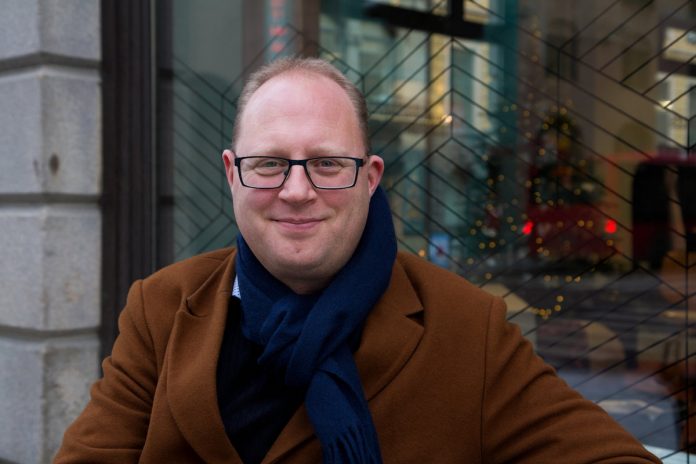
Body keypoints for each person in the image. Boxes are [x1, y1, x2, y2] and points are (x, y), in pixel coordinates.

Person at [54, 57, 660, 463]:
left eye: (327, 163)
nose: (296, 190)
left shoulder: (466, 329)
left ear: (370, 178)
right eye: (269, 163)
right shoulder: (161, 308)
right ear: (231, 174)